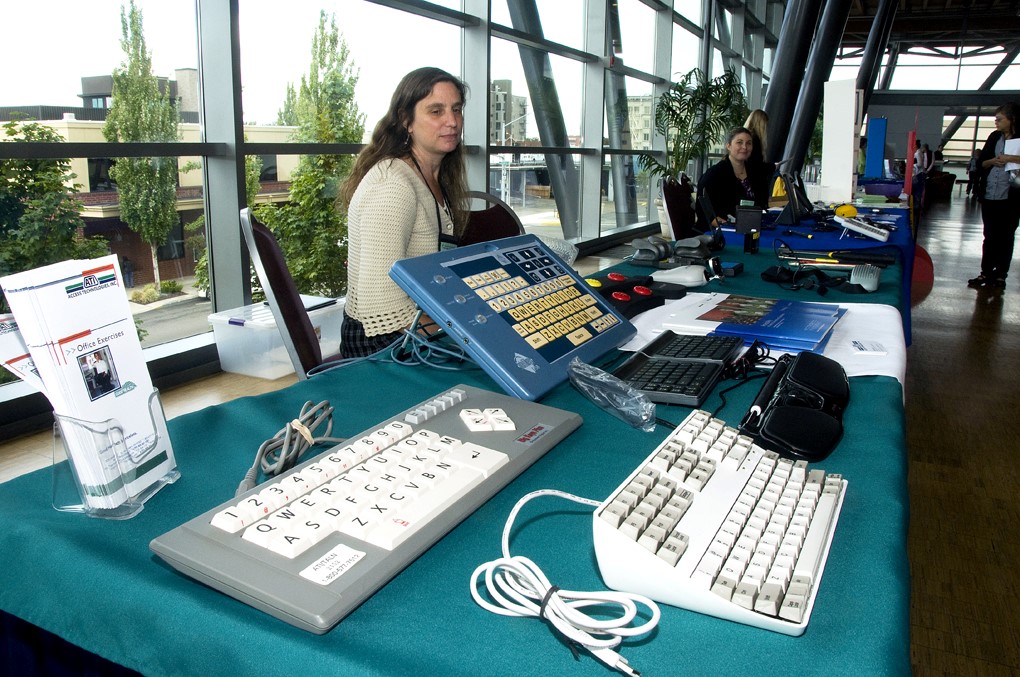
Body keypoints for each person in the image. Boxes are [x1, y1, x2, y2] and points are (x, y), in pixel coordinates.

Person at [337, 67, 469, 358]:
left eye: (456, 109)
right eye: (436, 111)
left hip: (416, 327)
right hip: (380, 342)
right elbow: (383, 307)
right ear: (406, 121)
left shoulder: (431, 174)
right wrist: (466, 333)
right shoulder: (392, 186)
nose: (452, 121)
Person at [968, 102, 1020, 290]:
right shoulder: (994, 137)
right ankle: (986, 272)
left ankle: (1000, 275)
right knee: (989, 235)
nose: (996, 122)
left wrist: (1011, 159)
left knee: (1006, 235)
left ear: (1011, 119)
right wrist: (993, 161)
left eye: (1000, 119)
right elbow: (982, 163)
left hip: (1011, 197)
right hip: (991, 194)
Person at [696, 127, 768, 230]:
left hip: (753, 228)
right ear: (728, 146)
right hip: (721, 231)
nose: (744, 147)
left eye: (748, 143)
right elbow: (703, 210)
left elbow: (762, 203)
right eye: (739, 142)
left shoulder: (756, 173)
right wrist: (727, 225)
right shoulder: (714, 174)